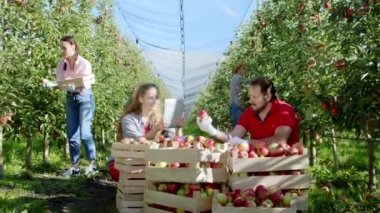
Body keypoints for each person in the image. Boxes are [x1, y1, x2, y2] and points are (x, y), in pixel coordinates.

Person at [42, 36, 97, 177]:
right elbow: (60, 83)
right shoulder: (62, 64)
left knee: (84, 132)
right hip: (71, 98)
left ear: (73, 46)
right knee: (72, 134)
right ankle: (75, 167)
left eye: (64, 48)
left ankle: (92, 164)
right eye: (61, 48)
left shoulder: (85, 63)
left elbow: (85, 82)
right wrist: (50, 84)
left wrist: (72, 84)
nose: (62, 51)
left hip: (84, 98)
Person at [108, 83, 183, 181]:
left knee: (175, 168)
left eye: (156, 98)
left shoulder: (160, 120)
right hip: (125, 162)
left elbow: (175, 142)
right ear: (141, 99)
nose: (154, 101)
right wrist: (155, 129)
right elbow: (138, 142)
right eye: (150, 98)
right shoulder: (129, 119)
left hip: (150, 162)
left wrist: (178, 127)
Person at [197, 76, 299, 146]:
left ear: (267, 96)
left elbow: (279, 141)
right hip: (256, 169)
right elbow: (232, 137)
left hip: (284, 171)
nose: (250, 101)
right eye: (250, 96)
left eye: (254, 97)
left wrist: (247, 143)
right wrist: (211, 130)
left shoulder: (284, 111)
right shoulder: (250, 112)